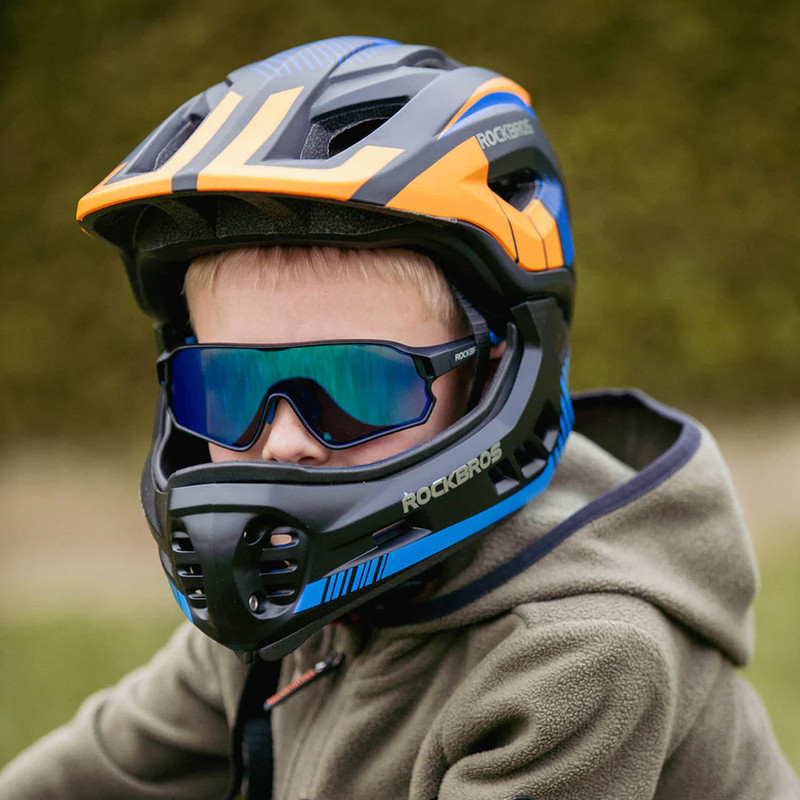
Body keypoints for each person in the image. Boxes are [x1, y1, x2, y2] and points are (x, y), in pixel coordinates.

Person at [1, 35, 797, 800]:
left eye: (356, 385)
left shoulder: (581, 660)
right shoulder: (278, 597)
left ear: (492, 373)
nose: (283, 443)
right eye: (228, 389)